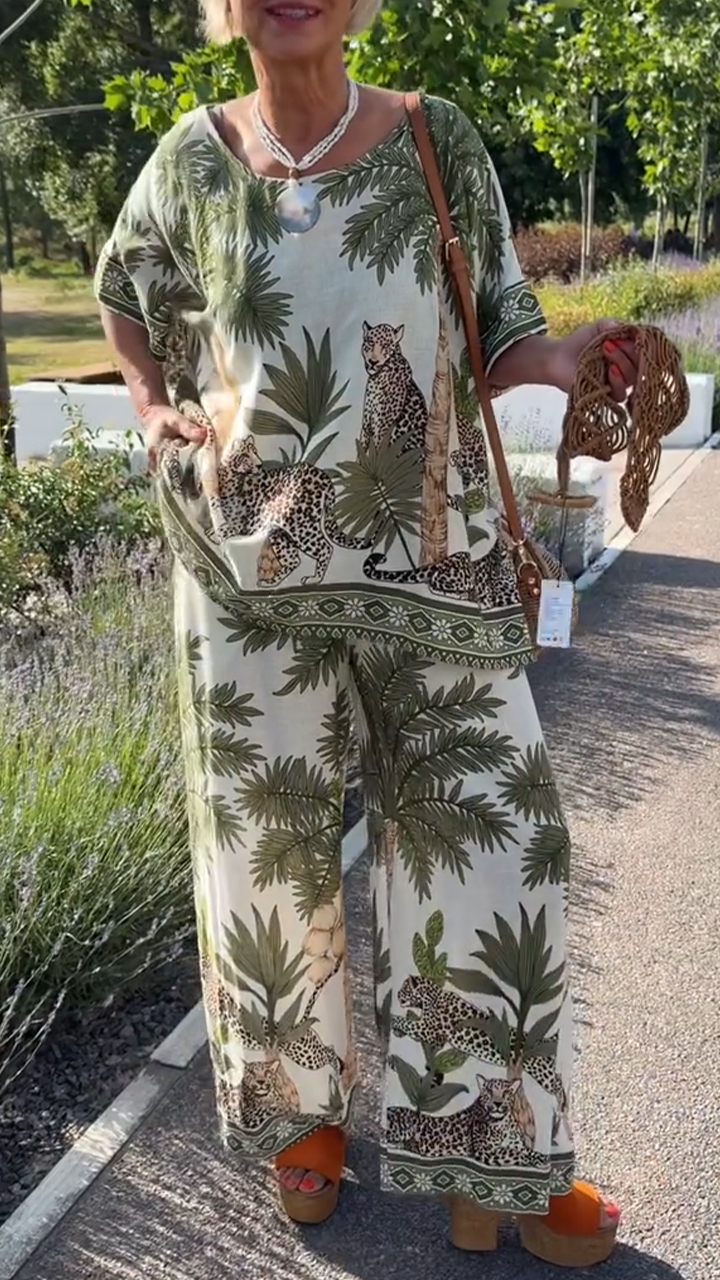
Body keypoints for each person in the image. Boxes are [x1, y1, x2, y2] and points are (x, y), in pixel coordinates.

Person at [95, 0, 638, 1265]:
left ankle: (494, 1151)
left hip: (435, 564)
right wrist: (150, 402)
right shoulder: (187, 161)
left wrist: (564, 363)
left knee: (501, 841)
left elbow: (497, 328)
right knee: (267, 852)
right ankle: (306, 1121)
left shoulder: (436, 138)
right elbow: (124, 290)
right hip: (247, 572)